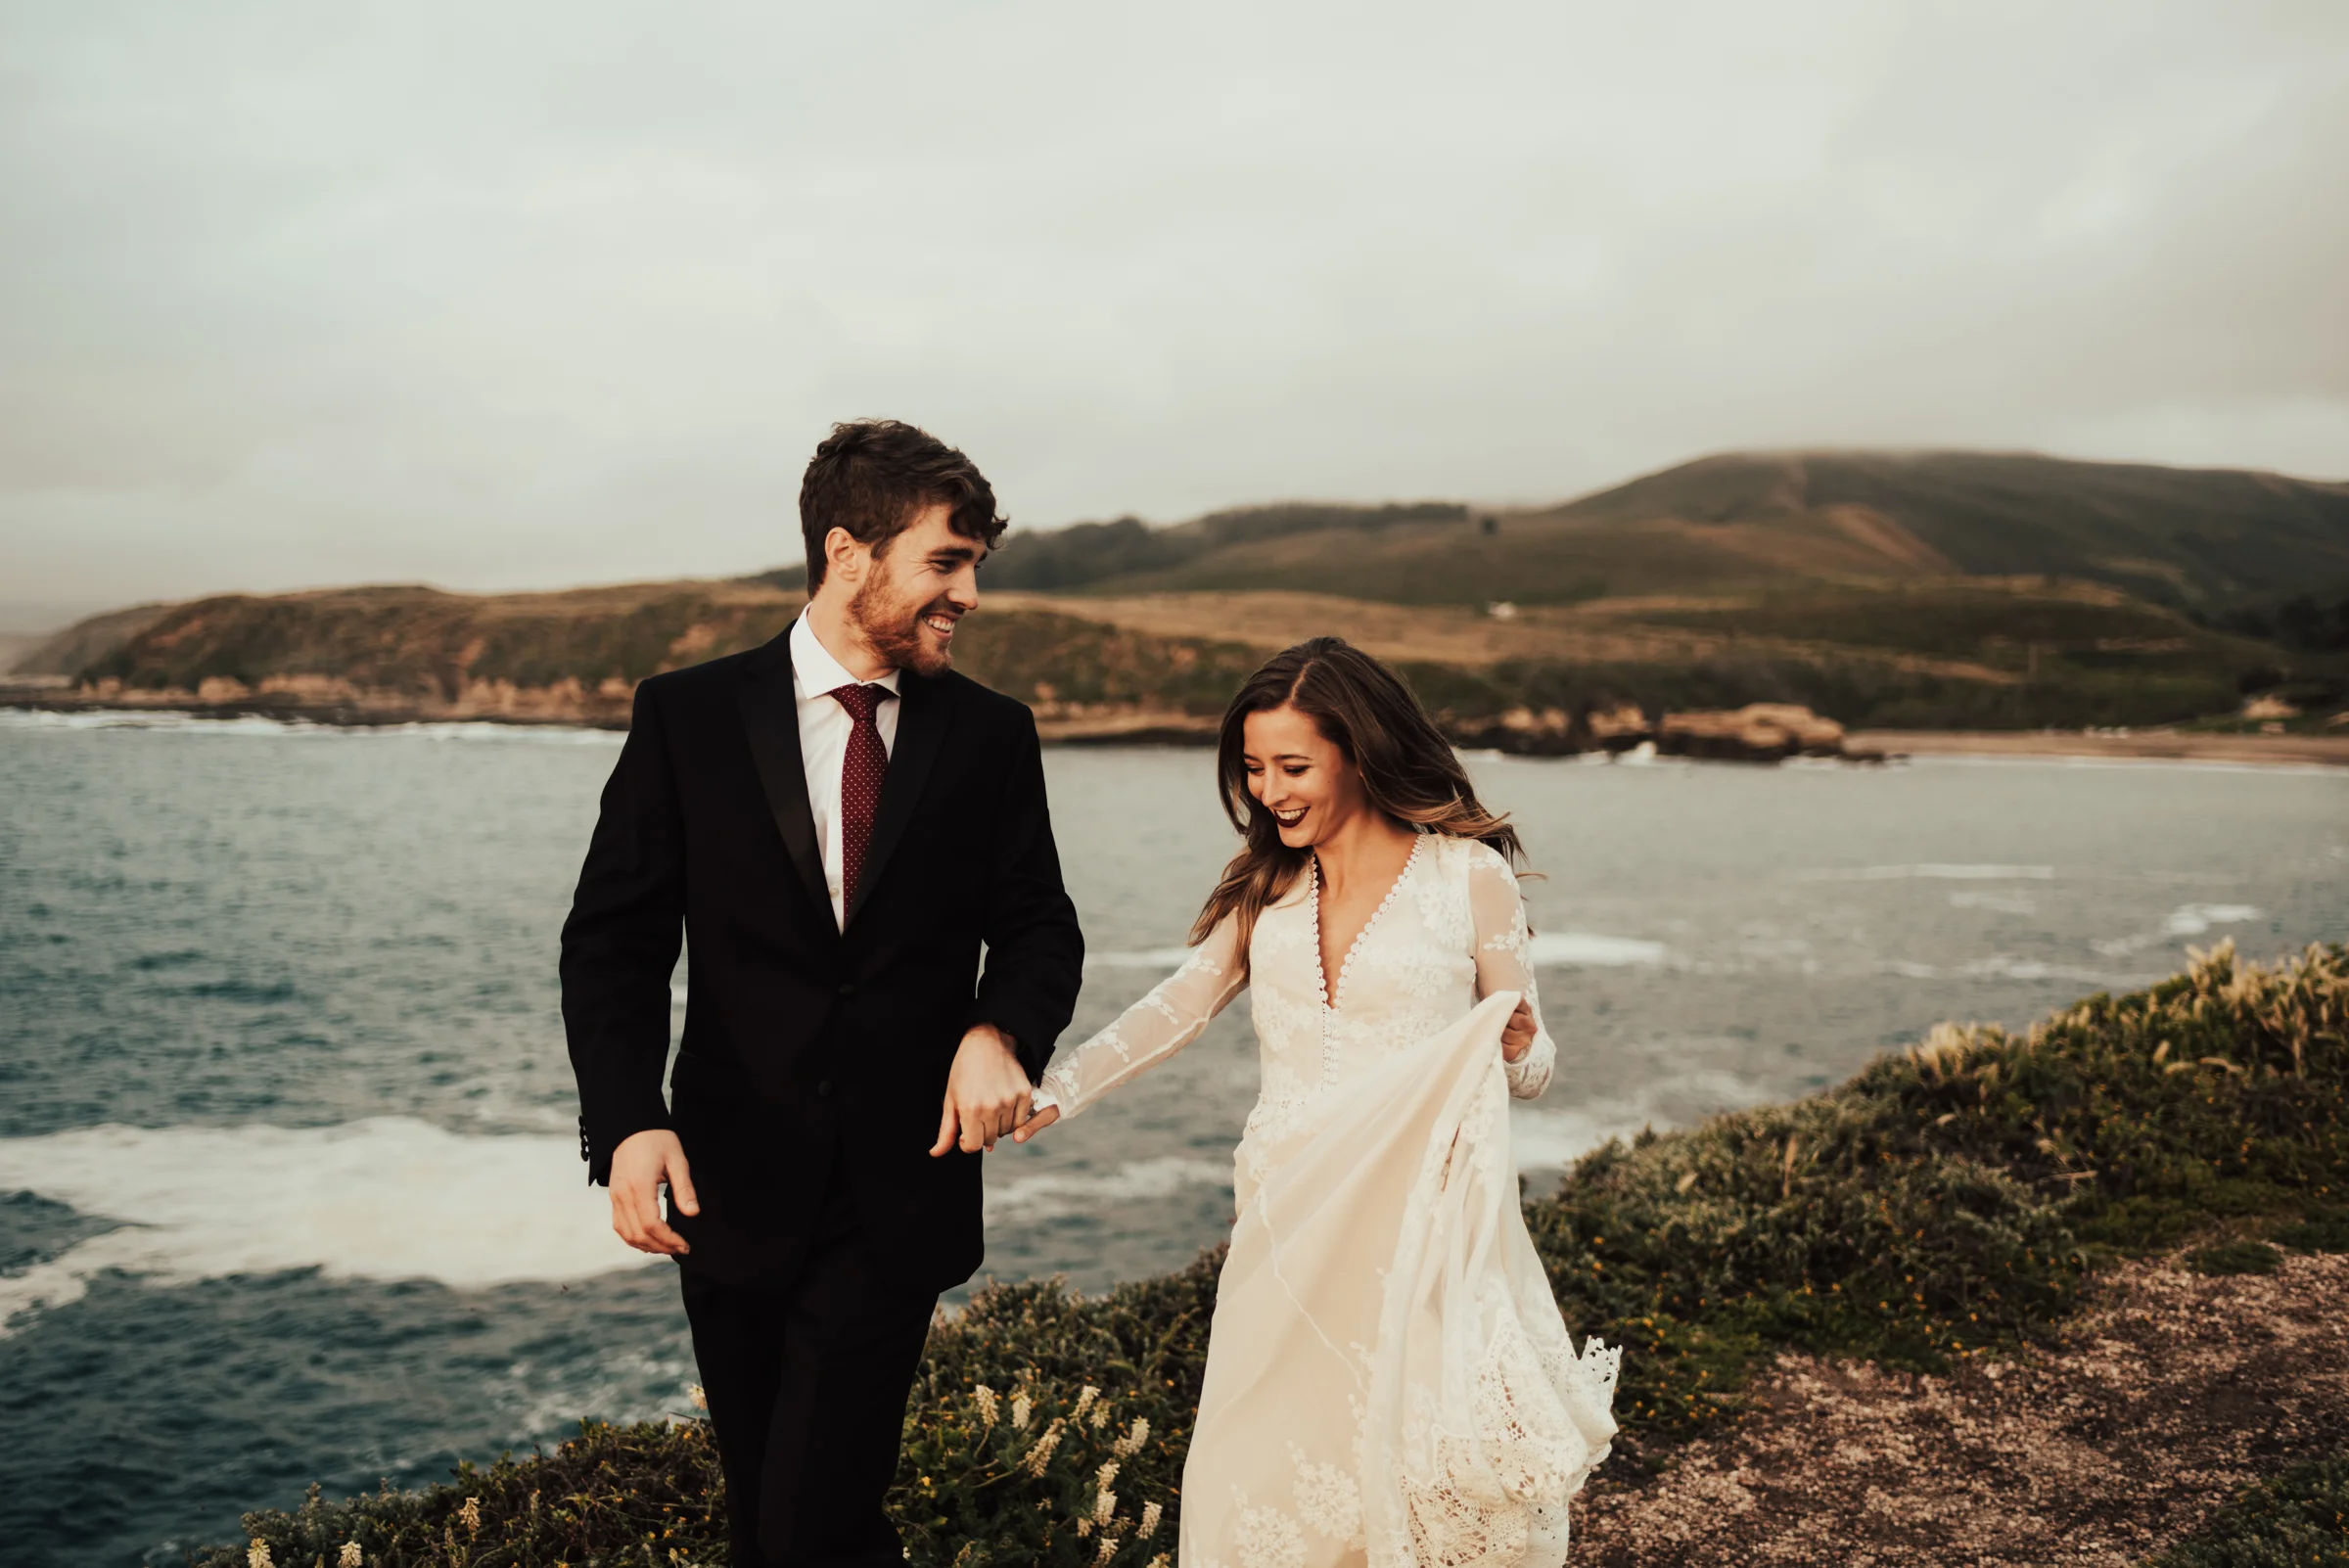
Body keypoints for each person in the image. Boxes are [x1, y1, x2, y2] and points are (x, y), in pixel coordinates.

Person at [561, 419, 1084, 1568]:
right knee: (776, 1517)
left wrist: (999, 1031)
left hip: (902, 1190)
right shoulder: (687, 716)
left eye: (974, 567)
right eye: (947, 562)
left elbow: (1040, 926)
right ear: (849, 552)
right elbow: (614, 942)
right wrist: (629, 1119)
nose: (969, 595)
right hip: (725, 1184)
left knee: (805, 1521)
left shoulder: (992, 735)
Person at [1014, 637, 1618, 1566]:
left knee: (1418, 1470)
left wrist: (1519, 1047)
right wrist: (1053, 1092)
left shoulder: (1468, 876)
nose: (1269, 791)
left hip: (1420, 1228)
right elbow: (1178, 1006)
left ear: (1360, 752)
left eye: (1292, 767)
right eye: (1254, 768)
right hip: (1284, 1214)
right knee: (1256, 1464)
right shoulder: (1267, 886)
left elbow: (1532, 1068)